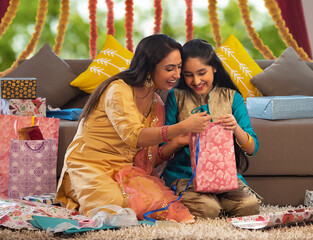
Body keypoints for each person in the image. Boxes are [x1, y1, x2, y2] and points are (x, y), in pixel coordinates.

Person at [56, 34, 212, 223]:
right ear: (148, 67)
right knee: (114, 208)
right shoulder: (118, 90)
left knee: (162, 206)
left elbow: (146, 160)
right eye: (169, 68)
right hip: (89, 165)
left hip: (124, 170)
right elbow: (134, 136)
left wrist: (176, 143)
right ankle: (78, 192)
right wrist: (181, 127)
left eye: (179, 67)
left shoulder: (157, 103)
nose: (177, 75)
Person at [162, 39, 262, 219]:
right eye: (188, 75)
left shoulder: (232, 97)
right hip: (184, 175)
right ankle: (216, 206)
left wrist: (235, 128)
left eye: (202, 73)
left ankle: (219, 202)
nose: (196, 81)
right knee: (209, 209)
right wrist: (181, 139)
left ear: (214, 68)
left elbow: (252, 149)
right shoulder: (175, 97)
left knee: (250, 206)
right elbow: (162, 148)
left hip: (224, 177)